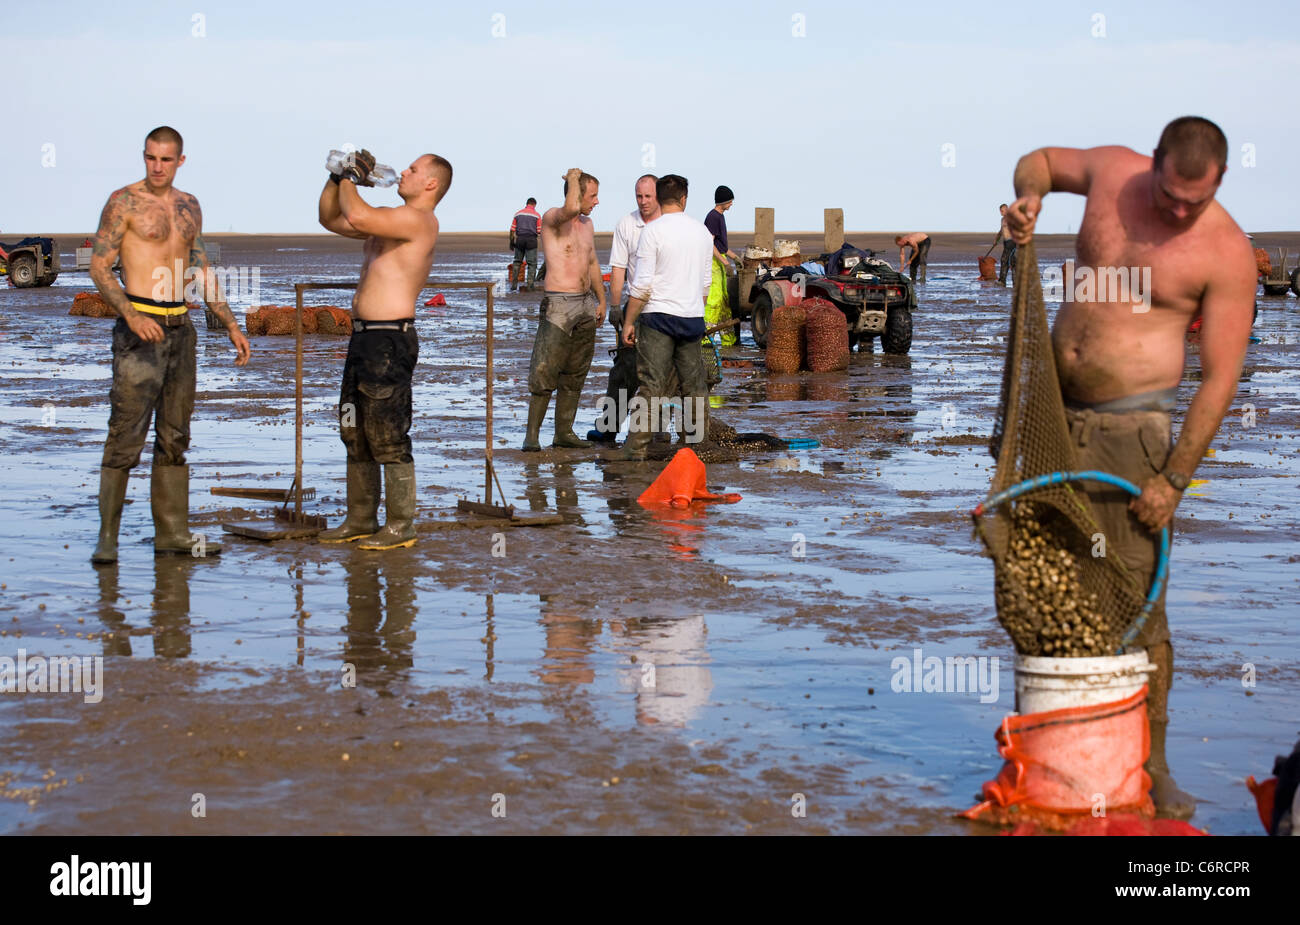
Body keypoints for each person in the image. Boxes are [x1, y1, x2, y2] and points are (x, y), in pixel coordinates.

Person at [1006, 116, 1256, 820]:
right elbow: (1039, 160)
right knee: (1046, 581)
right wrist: (1030, 199)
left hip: (1132, 435)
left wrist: (1173, 478)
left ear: (1220, 183)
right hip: (1052, 418)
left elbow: (1220, 380)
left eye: (1194, 202)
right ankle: (1048, 747)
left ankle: (1153, 765)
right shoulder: (1113, 175)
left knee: (1138, 600)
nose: (1178, 212)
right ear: (1153, 162)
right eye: (1171, 195)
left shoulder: (1227, 251)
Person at [88, 125, 251, 565]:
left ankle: (173, 534)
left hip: (181, 329)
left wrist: (230, 323)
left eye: (166, 159)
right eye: (150, 158)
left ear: (180, 161)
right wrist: (131, 314)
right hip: (139, 331)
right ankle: (108, 539)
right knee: (125, 435)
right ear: (144, 157)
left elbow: (200, 269)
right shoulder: (124, 202)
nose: (157, 167)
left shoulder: (189, 206)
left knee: (175, 436)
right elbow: (100, 267)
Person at [316, 149, 452, 549]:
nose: (403, 173)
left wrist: (353, 177)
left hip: (389, 340)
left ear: (431, 183)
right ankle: (359, 517)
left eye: (413, 169)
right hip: (363, 337)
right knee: (354, 430)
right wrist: (336, 175)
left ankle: (400, 525)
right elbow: (329, 218)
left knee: (387, 435)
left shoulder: (418, 220)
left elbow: (356, 214)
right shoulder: (391, 221)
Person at [621, 174, 713, 461]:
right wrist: (696, 311)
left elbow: (642, 285)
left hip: (658, 318)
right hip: (691, 318)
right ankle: (696, 448)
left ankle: (635, 450)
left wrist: (628, 322)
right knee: (694, 386)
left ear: (659, 199)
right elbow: (705, 285)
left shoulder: (653, 231)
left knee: (652, 386)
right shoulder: (702, 233)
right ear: (684, 199)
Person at [523, 168, 605, 452]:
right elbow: (570, 207)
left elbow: (592, 262)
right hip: (559, 303)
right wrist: (572, 178)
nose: (596, 202)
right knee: (545, 371)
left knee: (575, 373)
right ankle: (532, 437)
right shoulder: (552, 219)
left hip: (584, 303)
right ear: (577, 194)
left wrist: (601, 300)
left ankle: (563, 433)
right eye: (592, 195)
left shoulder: (587, 225)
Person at [587, 174, 660, 444]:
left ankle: (656, 433)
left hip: (662, 309)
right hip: (634, 308)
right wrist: (615, 305)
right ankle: (608, 428)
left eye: (648, 197)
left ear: (659, 196)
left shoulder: (668, 225)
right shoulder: (627, 225)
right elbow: (618, 269)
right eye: (639, 197)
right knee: (624, 371)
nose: (643, 202)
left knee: (660, 372)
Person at [703, 186, 739, 347]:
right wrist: (725, 263)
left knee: (724, 302)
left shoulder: (720, 216)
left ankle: (728, 341)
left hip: (720, 261)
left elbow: (721, 246)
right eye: (730, 201)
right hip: (713, 264)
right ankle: (704, 338)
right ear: (724, 201)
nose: (731, 204)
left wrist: (735, 257)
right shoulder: (713, 217)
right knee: (714, 300)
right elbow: (709, 244)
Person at [509, 197, 542, 292]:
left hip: (520, 240)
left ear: (526, 203)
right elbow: (539, 231)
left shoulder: (518, 214)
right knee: (532, 264)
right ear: (534, 205)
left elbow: (512, 230)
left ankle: (514, 285)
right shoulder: (537, 215)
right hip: (531, 240)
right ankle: (530, 285)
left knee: (517, 262)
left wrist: (511, 243)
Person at [995, 203, 1017, 285]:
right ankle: (1014, 282)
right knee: (1010, 262)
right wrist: (996, 239)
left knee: (1004, 260)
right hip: (1006, 242)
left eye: (1002, 211)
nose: (1001, 213)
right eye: (1000, 211)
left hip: (1012, 242)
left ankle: (1002, 281)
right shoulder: (1003, 219)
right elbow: (1001, 231)